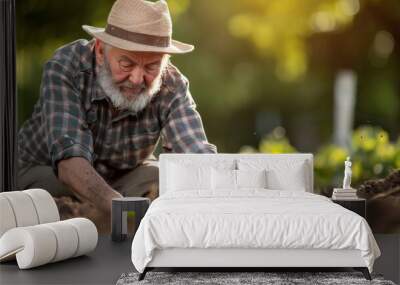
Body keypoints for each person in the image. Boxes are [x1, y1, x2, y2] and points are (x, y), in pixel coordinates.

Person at [17, 0, 217, 214]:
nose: (138, 79)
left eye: (152, 66)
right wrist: (119, 208)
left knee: (164, 182)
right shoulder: (66, 67)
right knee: (50, 199)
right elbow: (69, 163)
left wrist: (222, 187)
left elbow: (196, 153)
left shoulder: (172, 84)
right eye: (127, 64)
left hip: (123, 178)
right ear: (101, 51)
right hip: (49, 171)